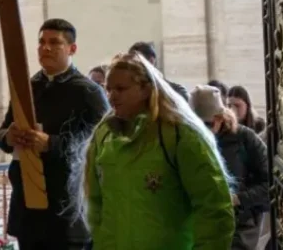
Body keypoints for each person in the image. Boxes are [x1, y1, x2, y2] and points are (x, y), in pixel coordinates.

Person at [81, 52, 234, 249]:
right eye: (108, 89)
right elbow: (95, 203)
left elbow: (214, 209)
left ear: (145, 89)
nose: (111, 96)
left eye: (120, 89)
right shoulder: (104, 135)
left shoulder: (180, 135)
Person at [0, 18, 109, 250]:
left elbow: (101, 144)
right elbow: (3, 132)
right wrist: (8, 137)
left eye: (54, 42)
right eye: (41, 42)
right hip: (27, 204)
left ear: (72, 49)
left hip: (67, 206)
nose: (45, 48)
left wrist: (52, 143)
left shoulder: (90, 92)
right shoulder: (26, 87)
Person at [190, 85, 269, 250]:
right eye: (196, 126)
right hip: (202, 227)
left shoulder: (245, 139)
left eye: (208, 124)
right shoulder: (187, 140)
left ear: (220, 118)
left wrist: (238, 198)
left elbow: (271, 183)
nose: (203, 132)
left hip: (239, 229)